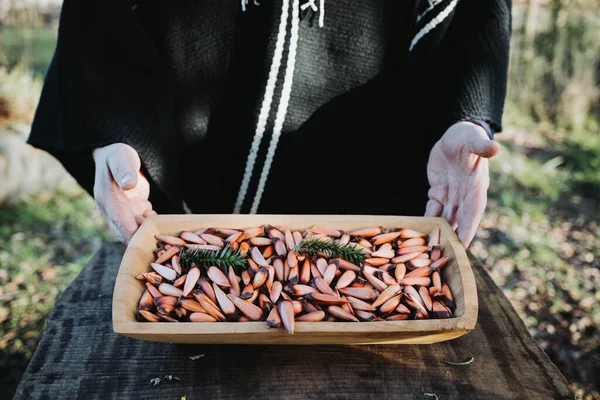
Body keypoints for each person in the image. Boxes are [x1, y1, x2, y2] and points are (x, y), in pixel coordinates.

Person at [28, 0, 510, 246]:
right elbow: (101, 28)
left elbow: (472, 16)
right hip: (187, 214)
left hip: (378, 202)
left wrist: (463, 113)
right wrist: (111, 133)